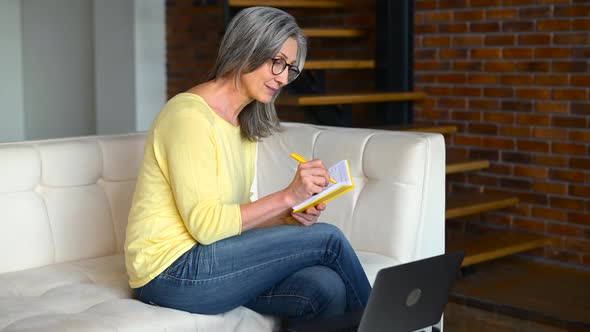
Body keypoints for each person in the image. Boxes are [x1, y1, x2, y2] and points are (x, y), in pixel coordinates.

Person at [124, 6, 371, 325]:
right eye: (277, 62)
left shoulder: (243, 123)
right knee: (328, 239)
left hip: (212, 257)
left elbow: (229, 218)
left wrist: (287, 217)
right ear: (248, 47)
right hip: (168, 273)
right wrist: (287, 196)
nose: (283, 78)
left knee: (326, 288)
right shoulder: (188, 118)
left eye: (290, 69)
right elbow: (206, 226)